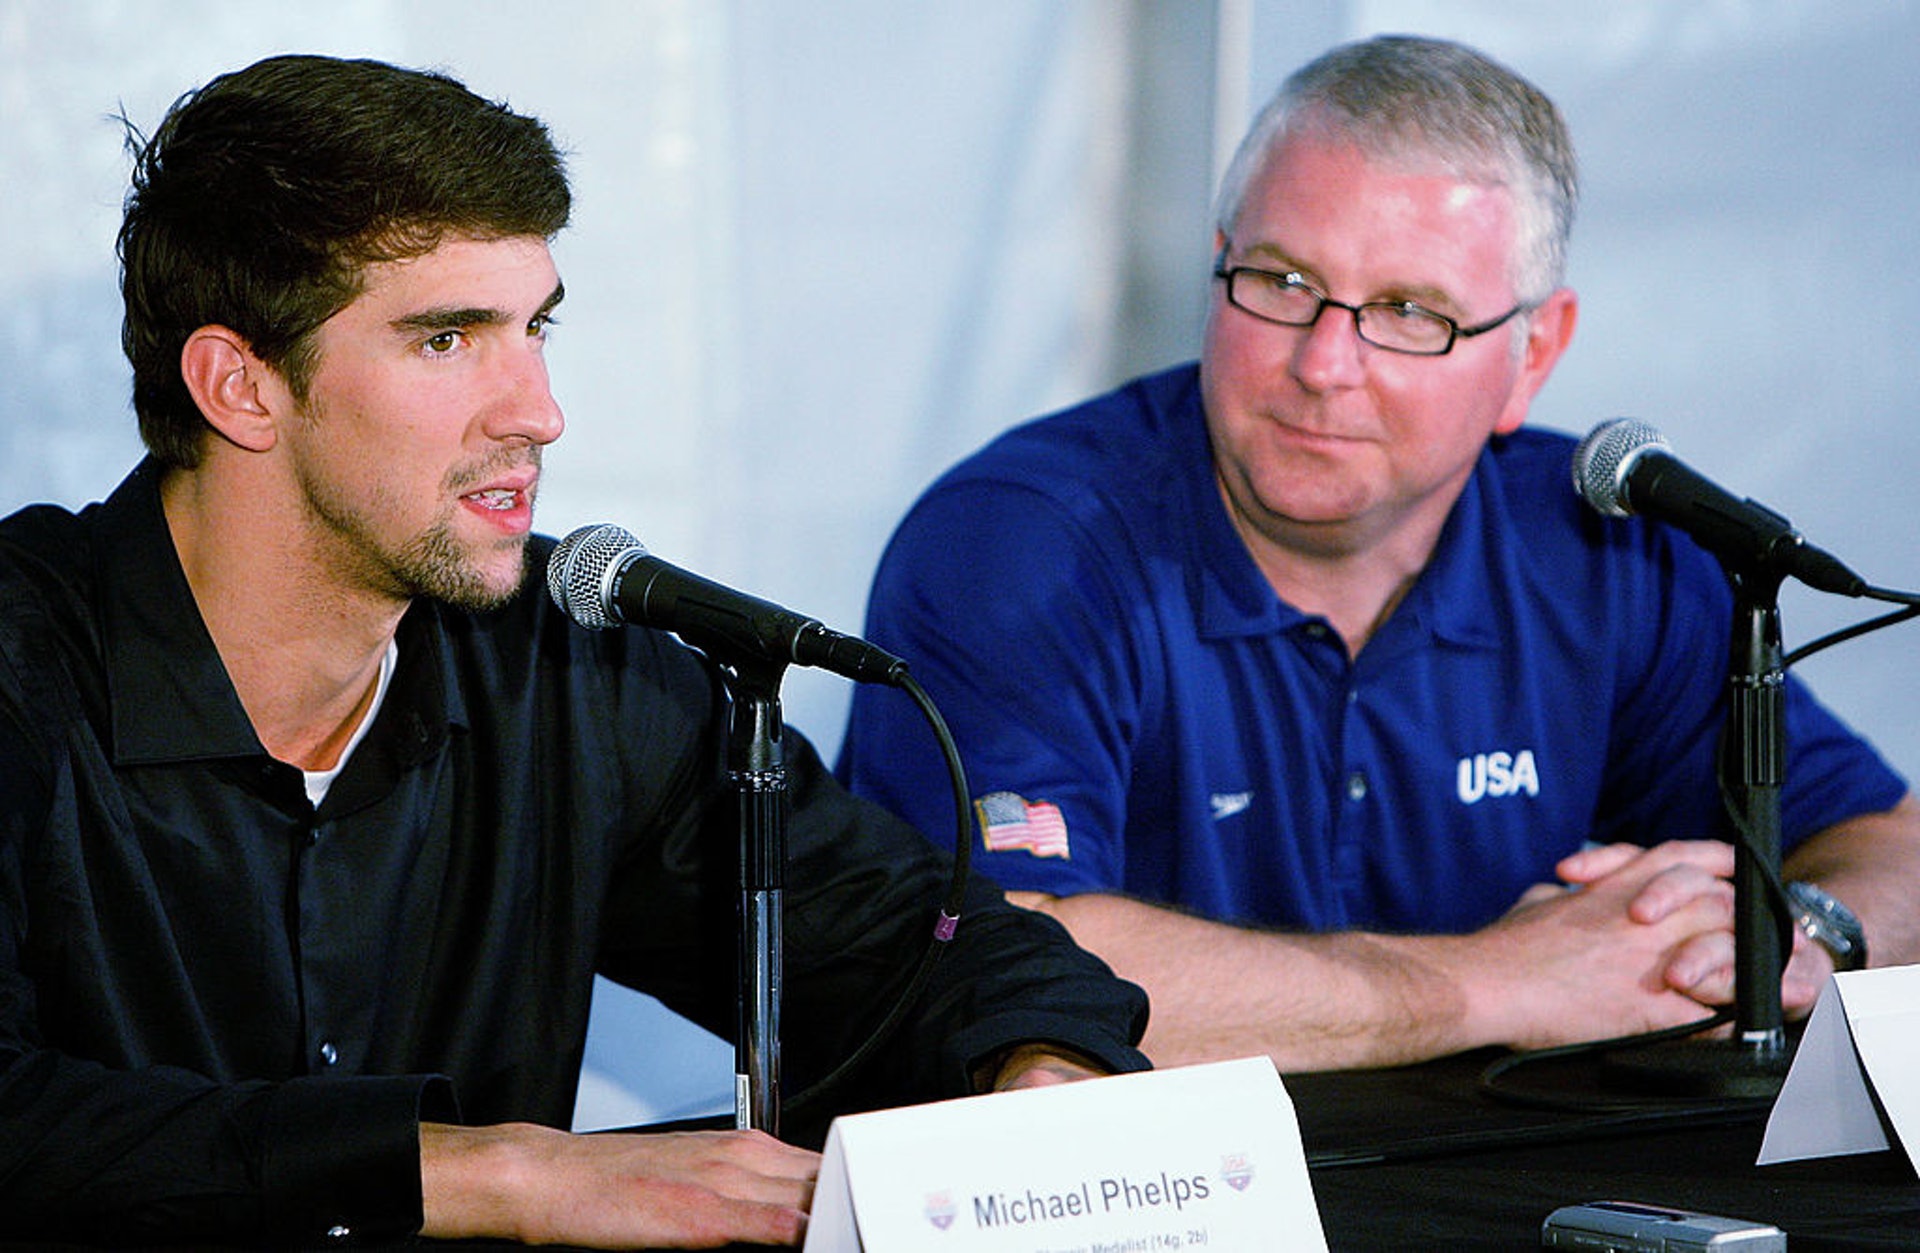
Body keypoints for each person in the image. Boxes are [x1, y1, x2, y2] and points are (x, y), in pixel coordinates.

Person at [0, 54, 1149, 1248]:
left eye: (535, 326)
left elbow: (926, 949)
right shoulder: (22, 666)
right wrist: (502, 1172)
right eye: (448, 339)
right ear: (241, 386)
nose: (537, 410)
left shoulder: (571, 668)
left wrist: (1041, 1077)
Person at [839, 34, 1920, 1075]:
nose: (1323, 362)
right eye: (1281, 281)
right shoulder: (1018, 543)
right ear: (1216, 270)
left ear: (1532, 353)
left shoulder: (1604, 549)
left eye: (1410, 311)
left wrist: (1796, 935)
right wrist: (1508, 980)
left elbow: (1887, 840)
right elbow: (994, 961)